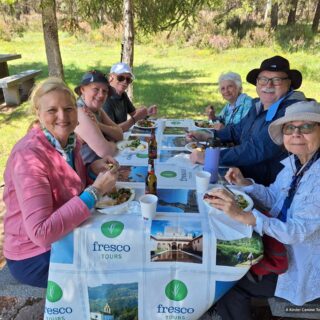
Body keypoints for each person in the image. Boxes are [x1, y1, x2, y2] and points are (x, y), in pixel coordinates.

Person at [206, 101, 320, 319]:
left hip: (298, 267)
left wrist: (244, 216)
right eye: (290, 127)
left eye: (306, 127)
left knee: (227, 281)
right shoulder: (296, 163)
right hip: (278, 248)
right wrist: (244, 183)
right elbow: (273, 197)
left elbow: (295, 232)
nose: (296, 133)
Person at [3, 78, 118, 288]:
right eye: (52, 110)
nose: (63, 117)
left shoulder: (69, 141)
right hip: (33, 256)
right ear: (38, 113)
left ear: (77, 111)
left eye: (68, 108)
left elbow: (70, 187)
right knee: (112, 266)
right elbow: (41, 233)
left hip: (64, 235)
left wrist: (93, 171)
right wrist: (95, 191)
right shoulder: (29, 156)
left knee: (119, 249)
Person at [189, 55, 306, 185]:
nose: (268, 85)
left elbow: (255, 149)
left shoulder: (291, 113)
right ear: (257, 82)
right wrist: (208, 135)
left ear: (289, 83)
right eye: (263, 79)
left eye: (277, 80)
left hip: (265, 189)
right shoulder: (258, 105)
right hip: (242, 175)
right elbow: (236, 131)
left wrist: (210, 157)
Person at [74, 70, 123, 165]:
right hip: (85, 174)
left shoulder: (96, 108)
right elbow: (106, 152)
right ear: (82, 90)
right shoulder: (80, 112)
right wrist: (112, 142)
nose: (101, 95)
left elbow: (120, 134)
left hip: (99, 167)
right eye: (96, 89)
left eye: (105, 91)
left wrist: (98, 125)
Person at [103, 62, 157, 131]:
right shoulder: (104, 98)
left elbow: (134, 114)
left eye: (128, 79)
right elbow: (111, 131)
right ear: (111, 77)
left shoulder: (123, 94)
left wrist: (147, 113)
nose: (125, 81)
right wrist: (134, 119)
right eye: (121, 78)